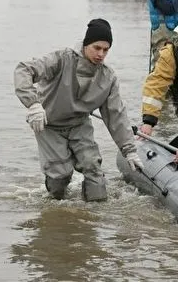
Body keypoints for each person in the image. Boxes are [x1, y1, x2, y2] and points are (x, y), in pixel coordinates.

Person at [14, 19, 144, 201]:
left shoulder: (108, 77)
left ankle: (94, 216)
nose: (101, 54)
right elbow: (24, 69)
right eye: (96, 48)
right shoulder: (61, 59)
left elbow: (116, 115)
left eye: (106, 50)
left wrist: (128, 149)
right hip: (49, 124)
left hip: (79, 125)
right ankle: (55, 210)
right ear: (85, 44)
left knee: (93, 169)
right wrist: (33, 104)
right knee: (60, 175)